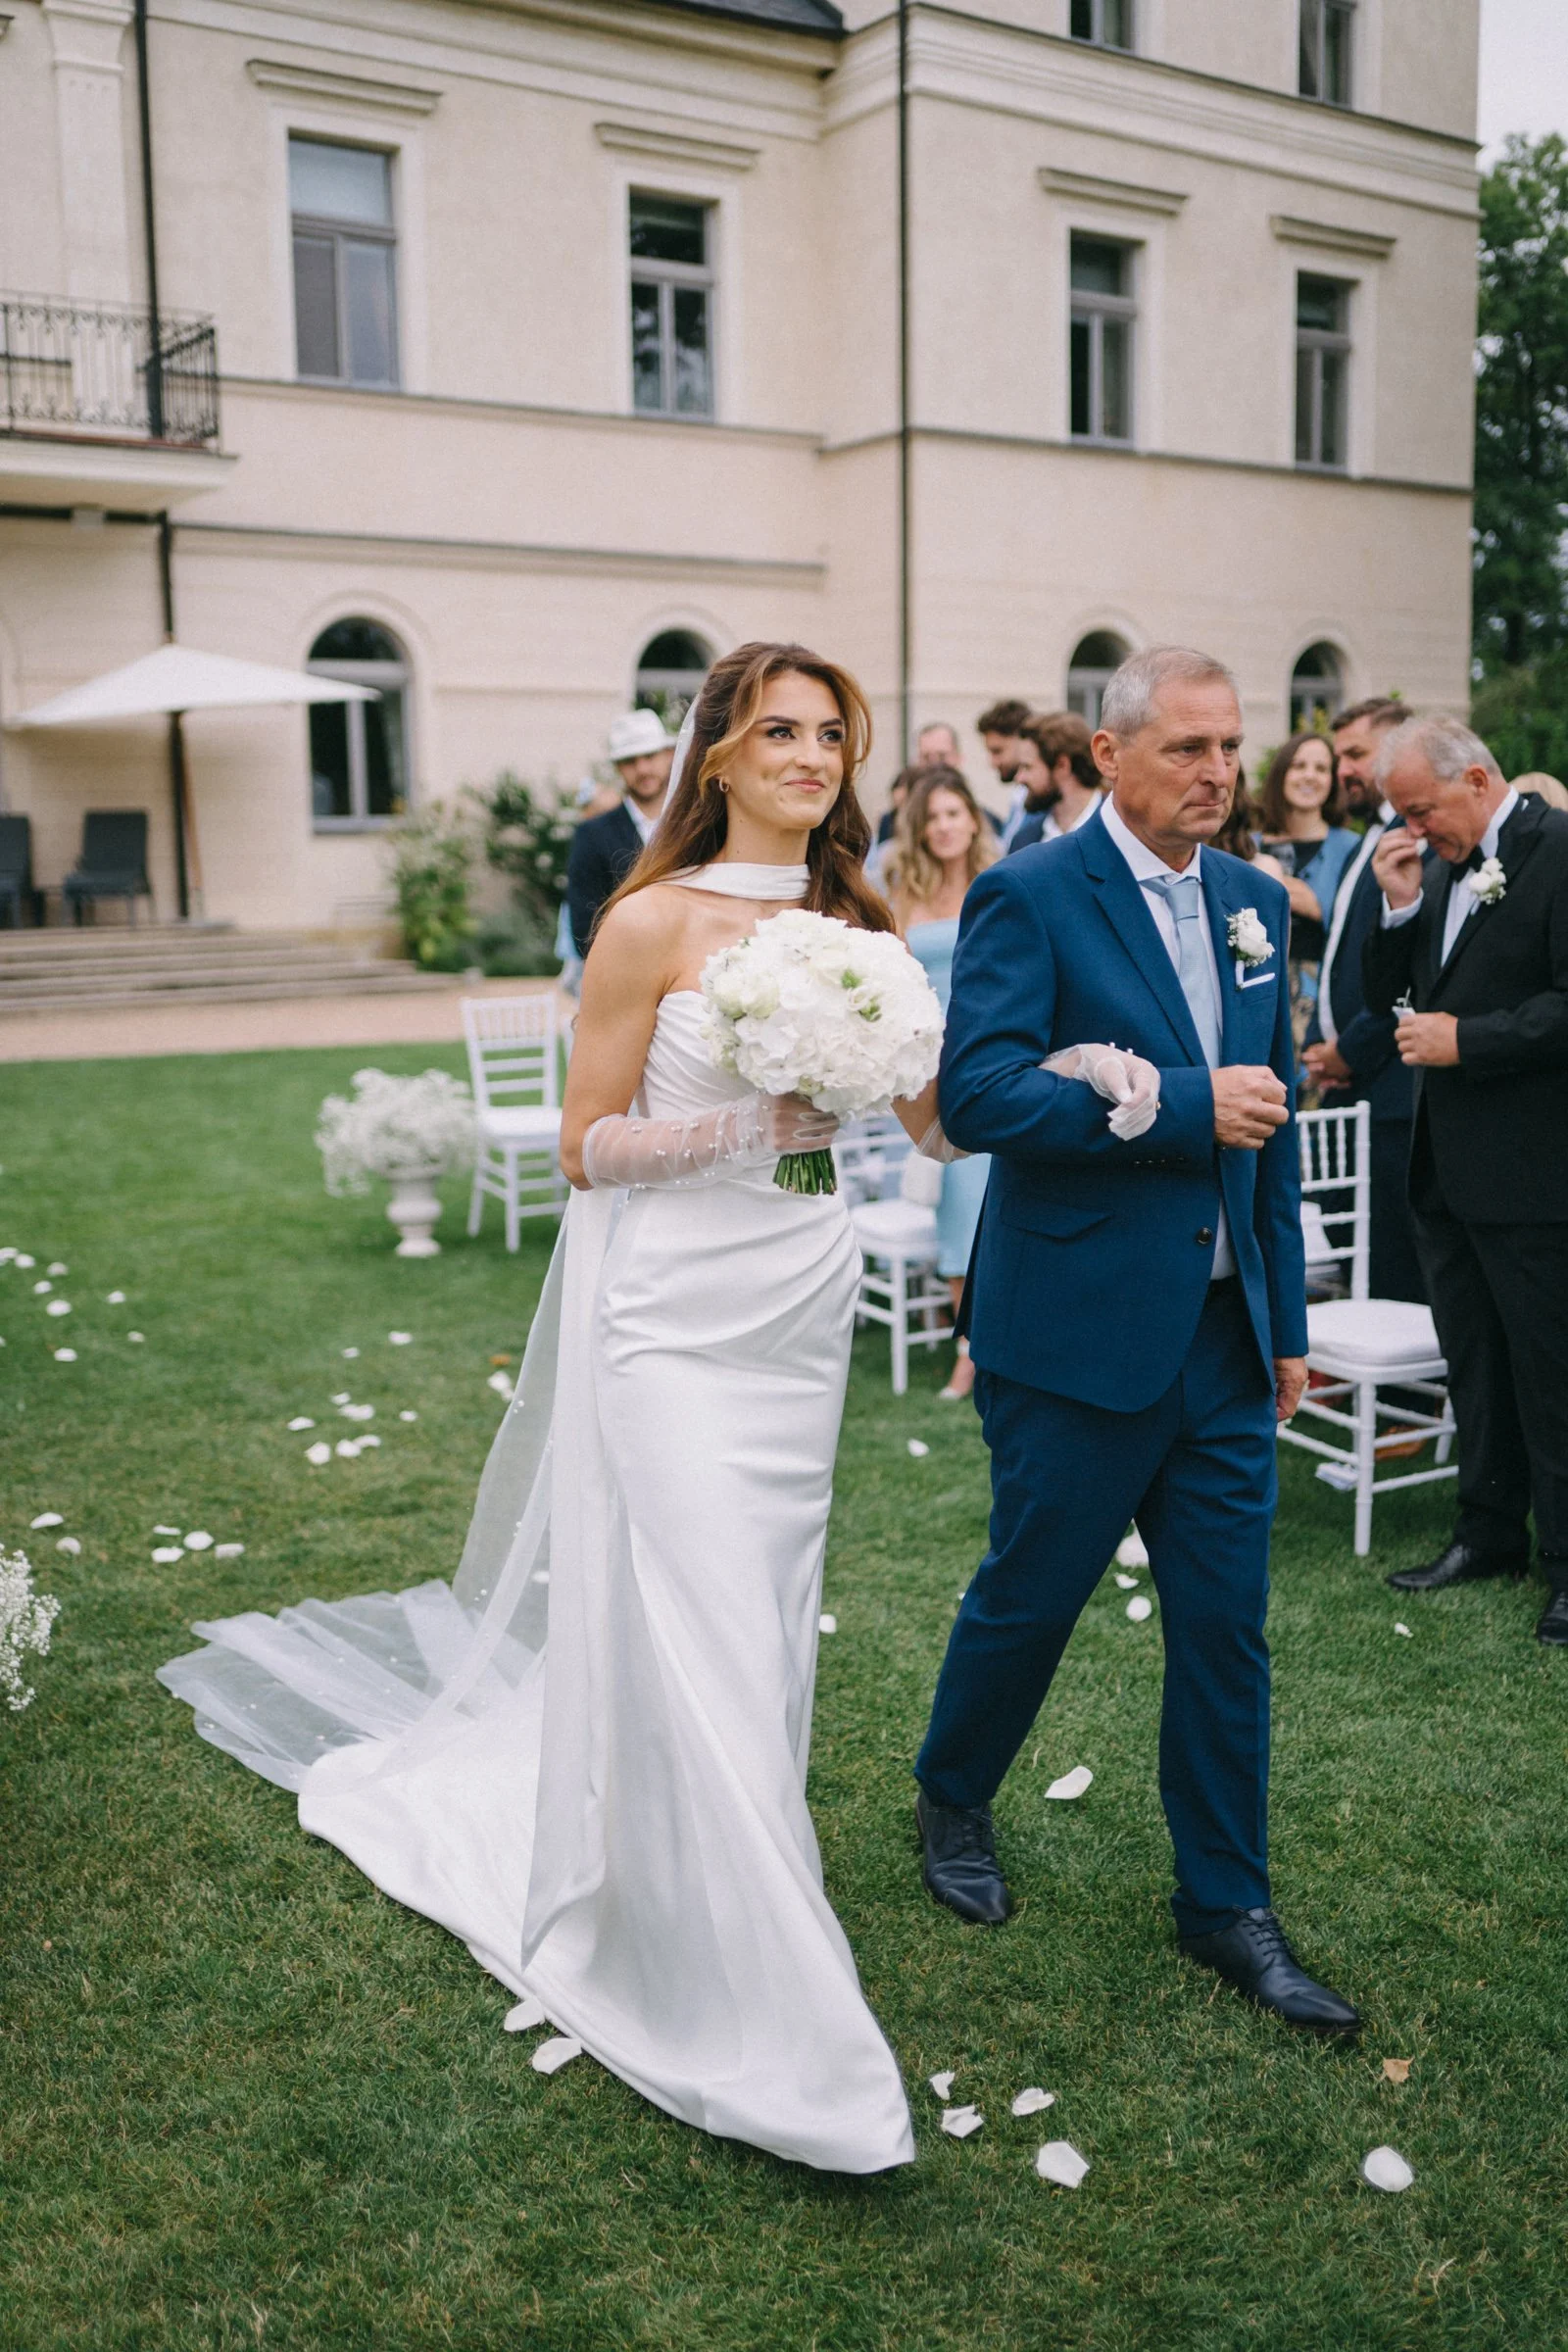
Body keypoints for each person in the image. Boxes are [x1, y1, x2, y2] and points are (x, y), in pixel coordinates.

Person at [160, 642, 937, 2174]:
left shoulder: (862, 924)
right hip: (672, 1317)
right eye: (781, 730)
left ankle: (719, 1857)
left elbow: (937, 1121)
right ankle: (749, 1969)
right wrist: (738, 1129)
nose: (812, 756)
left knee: (764, 1612)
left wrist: (1108, 1079)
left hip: (798, 1303)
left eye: (834, 736)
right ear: (719, 755)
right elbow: (585, 1144)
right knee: (704, 1605)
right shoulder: (649, 920)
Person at [913, 644, 1360, 2036]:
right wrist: (1170, 1102)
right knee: (1031, 1595)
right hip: (1074, 1335)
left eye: (1231, 747)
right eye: (1187, 748)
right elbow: (980, 1097)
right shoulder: (1031, 893)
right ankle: (952, 1794)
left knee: (1227, 1631)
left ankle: (1226, 1906)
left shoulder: (1252, 901)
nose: (1219, 773)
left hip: (1224, 1341)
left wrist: (1284, 1320)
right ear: (1108, 755)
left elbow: (1266, 1121)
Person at [1363, 715, 1568, 1647]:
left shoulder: (1558, 850)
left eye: (1420, 810)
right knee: (1475, 1365)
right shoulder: (1439, 868)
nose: (1412, 830)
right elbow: (1388, 1001)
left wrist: (1469, 1041)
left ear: (1477, 781)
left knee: (1549, 1374)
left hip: (1533, 1172)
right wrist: (1399, 907)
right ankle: (1487, 1535)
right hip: (1446, 1170)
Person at [1300, 698, 1424, 1301]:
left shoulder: (1416, 842)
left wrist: (1349, 1051)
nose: (1342, 770)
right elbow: (1341, 956)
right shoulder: (1359, 843)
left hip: (1392, 1086)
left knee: (1395, 1264)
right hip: (1347, 1084)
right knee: (1351, 1245)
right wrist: (1319, 1048)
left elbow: (1408, 969)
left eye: (1355, 754)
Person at [885, 766, 999, 1400]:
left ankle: (1004, 1338)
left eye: (954, 813)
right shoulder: (903, 893)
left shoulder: (1001, 883)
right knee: (958, 1204)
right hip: (933, 1067)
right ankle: (969, 1346)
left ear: (974, 820)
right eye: (933, 818)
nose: (944, 826)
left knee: (1001, 1199)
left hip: (995, 1053)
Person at [1254, 733, 1359, 1046]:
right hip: (1257, 994)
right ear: (1281, 773)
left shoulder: (1352, 848)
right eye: (1299, 766)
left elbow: (1362, 933)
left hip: (1323, 1006)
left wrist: (1317, 908)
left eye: (1321, 768)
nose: (1309, 776)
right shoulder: (1248, 846)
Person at [564, 708, 675, 960]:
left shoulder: (695, 823)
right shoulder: (592, 835)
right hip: (625, 968)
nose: (642, 769)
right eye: (630, 761)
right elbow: (584, 928)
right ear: (618, 768)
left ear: (668, 755)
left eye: (649, 756)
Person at [1006, 712, 1103, 853]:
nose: (1019, 778)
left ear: (1062, 765)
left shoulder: (1122, 828)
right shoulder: (1024, 842)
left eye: (1027, 767)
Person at [977, 698, 1034, 848]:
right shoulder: (1019, 796)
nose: (993, 763)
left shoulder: (1044, 802)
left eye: (997, 751)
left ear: (1023, 740)